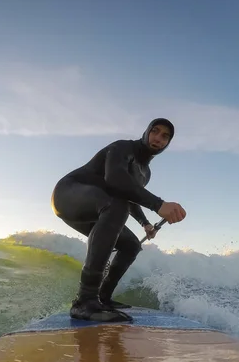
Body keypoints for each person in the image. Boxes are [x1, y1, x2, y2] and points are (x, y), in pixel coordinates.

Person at [51, 118, 187, 322]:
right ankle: (84, 301)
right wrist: (159, 204)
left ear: (167, 144)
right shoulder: (123, 148)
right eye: (155, 131)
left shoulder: (145, 172)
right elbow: (115, 181)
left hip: (98, 206)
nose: (158, 138)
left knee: (131, 245)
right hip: (68, 193)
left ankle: (103, 297)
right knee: (116, 205)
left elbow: (130, 195)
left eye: (165, 136)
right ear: (146, 131)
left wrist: (145, 224)